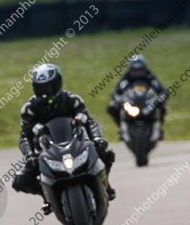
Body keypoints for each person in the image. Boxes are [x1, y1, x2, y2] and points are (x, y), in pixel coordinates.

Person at [12, 64, 116, 214]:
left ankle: (106, 185)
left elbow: (90, 122)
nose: (46, 92)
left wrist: (97, 139)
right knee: (20, 180)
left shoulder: (72, 100)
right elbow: (24, 135)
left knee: (106, 154)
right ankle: (46, 196)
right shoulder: (29, 108)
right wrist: (30, 155)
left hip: (76, 144)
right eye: (41, 87)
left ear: (58, 83)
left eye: (49, 86)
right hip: (46, 151)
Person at [107, 55, 167, 137]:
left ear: (144, 69)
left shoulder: (149, 76)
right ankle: (121, 128)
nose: (137, 73)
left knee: (162, 108)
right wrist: (119, 100)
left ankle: (159, 129)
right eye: (135, 71)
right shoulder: (127, 77)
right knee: (112, 107)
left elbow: (162, 91)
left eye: (140, 71)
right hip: (131, 103)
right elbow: (116, 92)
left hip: (147, 103)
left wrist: (159, 100)